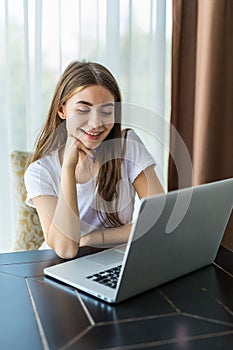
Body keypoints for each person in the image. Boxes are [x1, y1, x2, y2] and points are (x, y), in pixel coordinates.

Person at [24, 60, 164, 259]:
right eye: (83, 110)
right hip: (55, 269)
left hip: (114, 261)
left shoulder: (127, 146)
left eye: (106, 111)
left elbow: (160, 220)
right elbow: (66, 249)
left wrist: (91, 238)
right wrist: (68, 170)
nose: (96, 123)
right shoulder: (40, 172)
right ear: (62, 110)